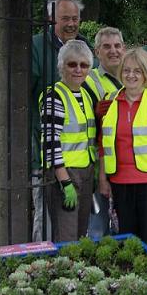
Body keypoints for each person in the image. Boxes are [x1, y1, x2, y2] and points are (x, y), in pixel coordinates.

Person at [0, 0, 91, 241]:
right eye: (64, 18)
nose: (71, 23)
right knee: (46, 222)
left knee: (76, 228)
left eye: (75, 18)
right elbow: (17, 93)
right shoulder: (34, 46)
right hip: (45, 155)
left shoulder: (84, 48)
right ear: (50, 18)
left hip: (82, 164)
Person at [97, 48, 147, 256]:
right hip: (120, 182)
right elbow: (103, 144)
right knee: (127, 239)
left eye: (137, 71)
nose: (131, 75)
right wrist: (102, 178)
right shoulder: (110, 100)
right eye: (126, 70)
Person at [40, 40, 96, 242]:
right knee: (67, 238)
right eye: (72, 64)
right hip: (65, 175)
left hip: (85, 172)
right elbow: (50, 143)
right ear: (62, 66)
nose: (78, 70)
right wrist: (64, 181)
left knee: (80, 235)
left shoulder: (85, 95)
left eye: (84, 65)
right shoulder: (55, 96)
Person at [82, 27, 126, 240]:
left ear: (124, 49)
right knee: (98, 228)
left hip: (126, 164)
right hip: (100, 165)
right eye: (106, 47)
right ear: (96, 51)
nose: (113, 51)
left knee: (123, 225)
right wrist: (95, 113)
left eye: (117, 46)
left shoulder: (132, 76)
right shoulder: (88, 80)